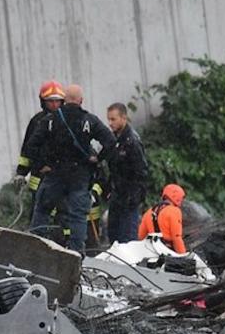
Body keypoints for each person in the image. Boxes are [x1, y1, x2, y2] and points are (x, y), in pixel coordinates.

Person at [24, 84, 116, 252]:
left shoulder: (51, 120)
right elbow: (110, 141)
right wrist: (97, 158)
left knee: (42, 209)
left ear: (64, 100)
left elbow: (32, 145)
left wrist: (45, 163)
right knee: (78, 217)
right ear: (81, 101)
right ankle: (76, 254)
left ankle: (35, 248)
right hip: (80, 176)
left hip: (55, 174)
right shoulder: (89, 120)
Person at [103, 102, 149, 243]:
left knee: (127, 239)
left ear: (124, 118)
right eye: (109, 119)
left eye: (113, 119)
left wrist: (135, 196)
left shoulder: (132, 141)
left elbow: (141, 171)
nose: (110, 123)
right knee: (113, 235)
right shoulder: (113, 138)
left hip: (129, 197)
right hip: (117, 194)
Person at [14, 80, 66, 195]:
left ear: (62, 101)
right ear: (43, 101)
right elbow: (27, 150)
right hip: (38, 179)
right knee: (38, 212)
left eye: (57, 101)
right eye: (50, 101)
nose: (54, 104)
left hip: (62, 179)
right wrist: (21, 173)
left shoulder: (68, 121)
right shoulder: (36, 121)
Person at [138, 183, 187, 254]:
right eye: (182, 198)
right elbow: (176, 237)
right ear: (176, 197)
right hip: (167, 252)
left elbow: (141, 236)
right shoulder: (174, 211)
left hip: (151, 251)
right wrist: (183, 256)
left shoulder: (149, 211)